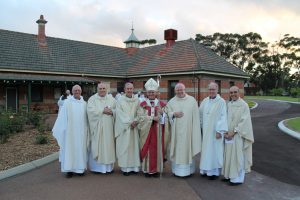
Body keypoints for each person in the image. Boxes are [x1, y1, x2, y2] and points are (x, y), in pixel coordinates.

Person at [52, 85, 89, 178]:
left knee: (80, 150)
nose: (77, 92)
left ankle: (80, 169)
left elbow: (87, 118)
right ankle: (69, 170)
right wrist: (63, 129)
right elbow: (62, 117)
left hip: (81, 132)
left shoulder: (84, 103)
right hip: (70, 132)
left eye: (78, 90)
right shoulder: (67, 103)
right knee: (69, 150)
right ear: (72, 92)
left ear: (81, 92)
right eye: (75, 90)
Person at [166, 83, 201, 177]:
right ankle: (177, 171)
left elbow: (196, 117)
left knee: (187, 150)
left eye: (181, 90)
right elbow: (167, 113)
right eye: (177, 90)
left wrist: (195, 131)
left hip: (188, 131)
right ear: (175, 91)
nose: (180, 92)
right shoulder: (171, 102)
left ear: (185, 90)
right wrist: (173, 114)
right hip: (176, 132)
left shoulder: (192, 100)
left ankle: (189, 171)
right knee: (178, 150)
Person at [222, 86, 254, 185]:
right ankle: (229, 175)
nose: (233, 94)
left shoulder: (244, 105)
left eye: (235, 92)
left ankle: (237, 179)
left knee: (237, 157)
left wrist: (234, 132)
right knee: (228, 155)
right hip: (228, 136)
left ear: (239, 92)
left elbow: (244, 122)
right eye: (231, 92)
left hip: (238, 136)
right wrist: (225, 131)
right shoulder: (229, 104)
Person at [137, 78, 169, 178]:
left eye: (152, 92)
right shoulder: (142, 105)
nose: (151, 94)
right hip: (146, 132)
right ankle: (147, 170)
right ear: (146, 93)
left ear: (156, 93)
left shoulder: (161, 105)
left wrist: (162, 114)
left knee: (157, 149)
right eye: (149, 92)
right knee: (147, 149)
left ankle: (156, 170)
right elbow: (140, 118)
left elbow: (167, 118)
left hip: (158, 131)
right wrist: (152, 118)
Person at [199, 82, 228, 179]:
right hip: (206, 131)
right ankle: (205, 170)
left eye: (213, 89)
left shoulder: (221, 102)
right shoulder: (205, 101)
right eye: (210, 89)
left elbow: (223, 116)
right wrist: (199, 126)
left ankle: (214, 172)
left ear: (217, 90)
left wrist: (220, 131)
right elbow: (200, 113)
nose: (211, 91)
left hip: (216, 132)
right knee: (206, 151)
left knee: (215, 151)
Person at [87, 83, 116, 174]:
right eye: (100, 88)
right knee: (98, 146)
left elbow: (117, 110)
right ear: (97, 89)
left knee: (108, 147)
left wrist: (112, 112)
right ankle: (97, 168)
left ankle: (108, 168)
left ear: (106, 89)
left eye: (104, 88)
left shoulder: (112, 99)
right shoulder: (92, 99)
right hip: (97, 128)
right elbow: (90, 111)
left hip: (109, 128)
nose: (102, 90)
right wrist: (102, 111)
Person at [115, 82, 140, 176]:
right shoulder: (120, 101)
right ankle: (125, 169)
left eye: (131, 88)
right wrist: (130, 122)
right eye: (127, 89)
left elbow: (140, 112)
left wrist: (136, 121)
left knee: (134, 148)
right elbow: (119, 114)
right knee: (125, 148)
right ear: (124, 90)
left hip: (134, 128)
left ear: (133, 89)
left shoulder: (137, 100)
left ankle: (134, 168)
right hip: (124, 129)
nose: (129, 90)